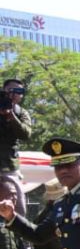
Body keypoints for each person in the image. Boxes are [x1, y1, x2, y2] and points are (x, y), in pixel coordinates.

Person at [0, 78, 32, 218]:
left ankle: (21, 236)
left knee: (18, 207)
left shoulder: (21, 112)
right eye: (11, 91)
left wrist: (11, 116)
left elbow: (26, 134)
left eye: (19, 91)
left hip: (8, 165)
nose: (14, 94)